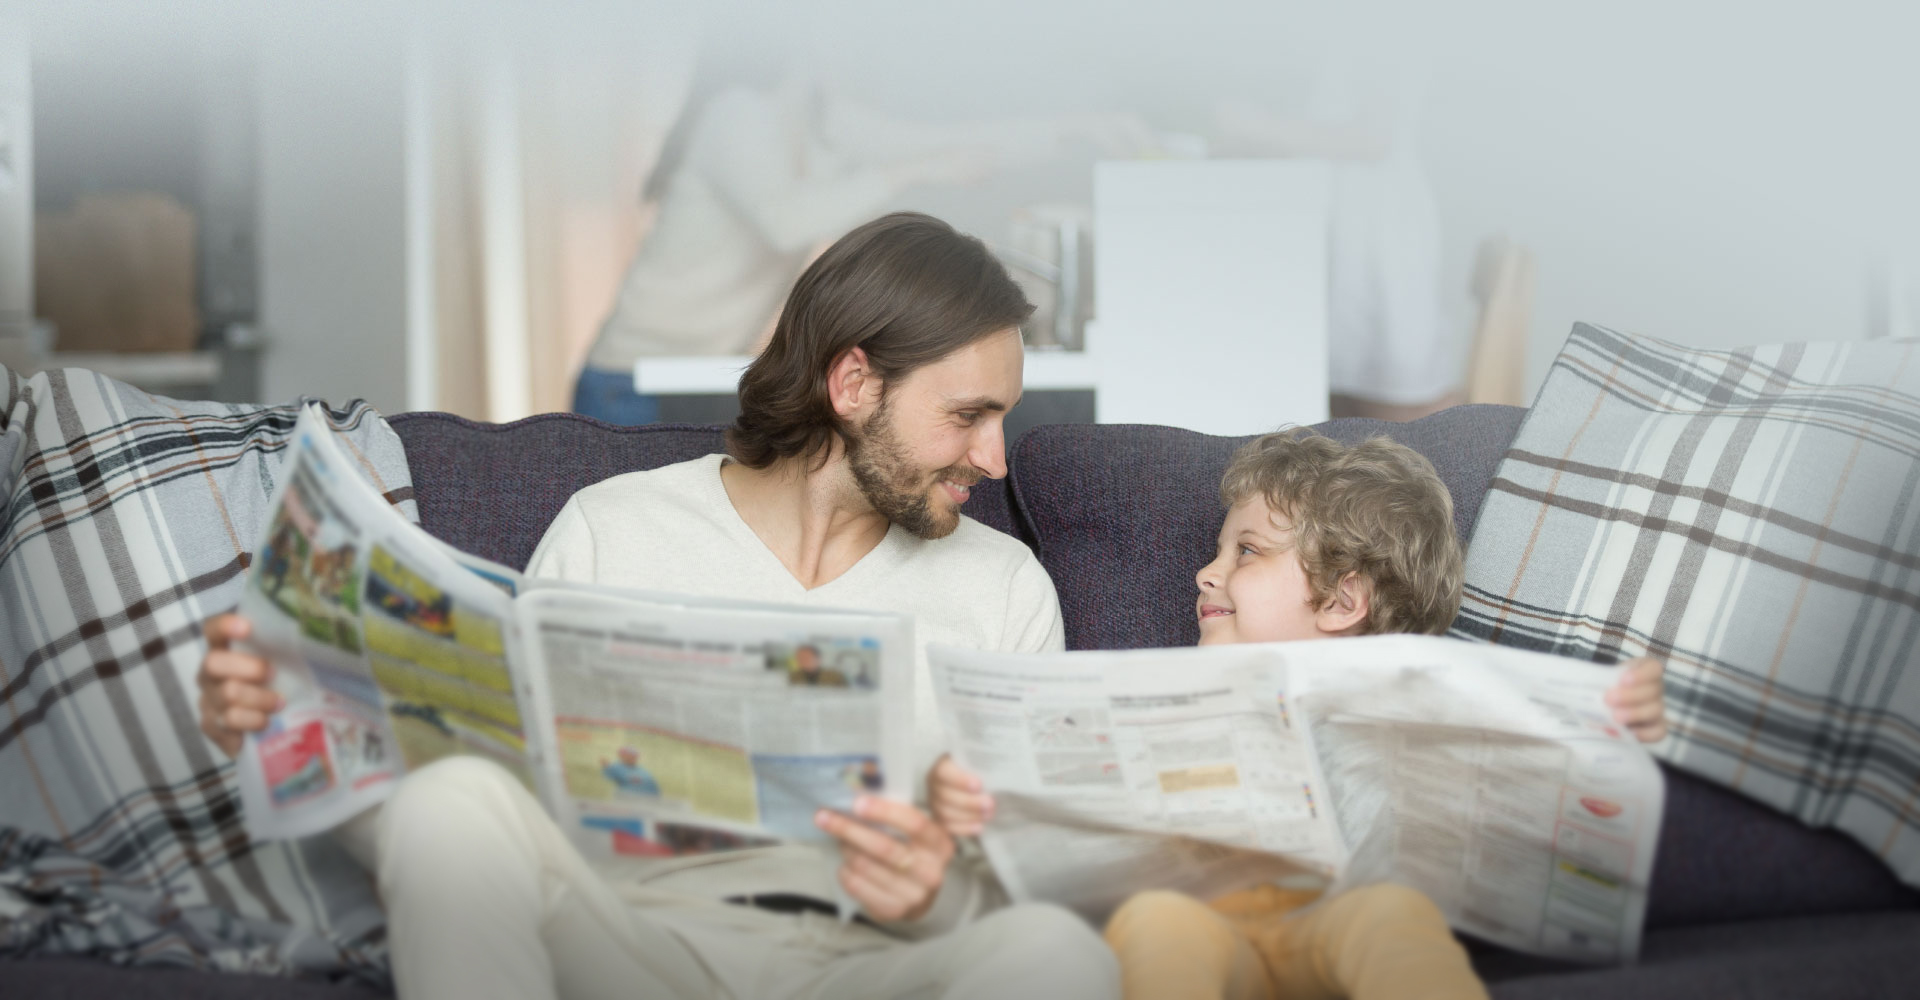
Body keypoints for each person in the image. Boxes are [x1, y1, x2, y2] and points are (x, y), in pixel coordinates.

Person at [198, 212, 1116, 1000]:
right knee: (454, 797)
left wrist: (934, 897)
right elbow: (476, 821)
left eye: (1004, 420)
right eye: (968, 416)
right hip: (629, 954)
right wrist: (293, 724)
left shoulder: (1003, 589)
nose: (994, 460)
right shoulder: (616, 528)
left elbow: (1021, 887)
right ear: (853, 385)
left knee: (1058, 952)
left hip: (861, 969)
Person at [929, 430, 1669, 1000]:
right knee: (1155, 921)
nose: (1206, 571)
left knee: (1390, 915)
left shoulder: (1411, 701)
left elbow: (1526, 814)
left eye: (1245, 551)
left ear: (1344, 602)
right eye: (1218, 549)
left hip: (1332, 928)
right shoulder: (1167, 688)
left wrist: (1603, 734)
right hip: (1219, 934)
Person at [575, 68, 1151, 424]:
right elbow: (785, 219)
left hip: (687, 372)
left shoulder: (820, 118)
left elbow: (941, 143)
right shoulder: (738, 115)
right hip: (630, 378)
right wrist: (910, 171)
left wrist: (1072, 129)